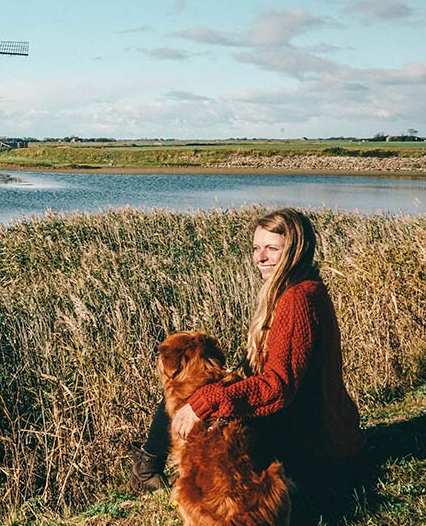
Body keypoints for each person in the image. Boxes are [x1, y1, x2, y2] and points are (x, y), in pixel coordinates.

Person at [131, 208, 365, 506]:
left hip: (310, 444)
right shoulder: (303, 287)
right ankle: (149, 467)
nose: (260, 257)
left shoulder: (296, 300)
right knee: (196, 386)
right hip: (321, 430)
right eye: (256, 248)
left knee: (192, 394)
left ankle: (151, 471)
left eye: (272, 249)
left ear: (294, 250)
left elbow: (278, 386)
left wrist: (204, 403)